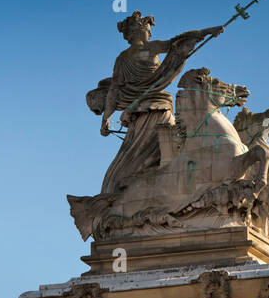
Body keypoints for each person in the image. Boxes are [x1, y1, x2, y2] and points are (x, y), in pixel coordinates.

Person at [88, 11, 224, 195]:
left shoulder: (122, 59)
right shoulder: (149, 48)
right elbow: (176, 43)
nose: (150, 34)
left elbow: (114, 90)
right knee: (166, 147)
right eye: (148, 30)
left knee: (136, 152)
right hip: (156, 109)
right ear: (139, 31)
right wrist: (206, 32)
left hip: (137, 113)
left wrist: (106, 117)